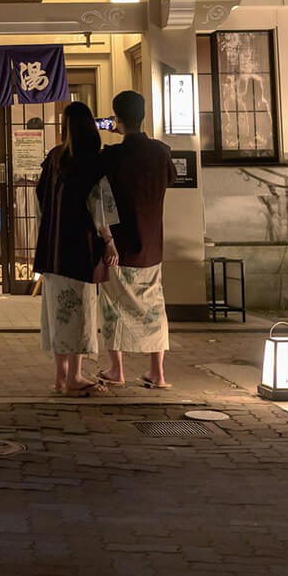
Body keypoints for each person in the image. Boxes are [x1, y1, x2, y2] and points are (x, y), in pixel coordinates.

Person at [34, 101, 120, 396]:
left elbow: (40, 202)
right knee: (80, 313)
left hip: (52, 250)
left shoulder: (54, 158)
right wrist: (109, 241)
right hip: (79, 251)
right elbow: (100, 209)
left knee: (58, 314)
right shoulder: (91, 163)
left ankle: (60, 378)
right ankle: (75, 377)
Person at [97, 90, 175, 389]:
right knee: (154, 306)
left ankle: (116, 369)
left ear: (116, 119)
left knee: (114, 306)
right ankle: (157, 372)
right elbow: (170, 178)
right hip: (152, 243)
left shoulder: (113, 156)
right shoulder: (160, 152)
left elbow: (100, 194)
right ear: (143, 116)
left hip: (118, 244)